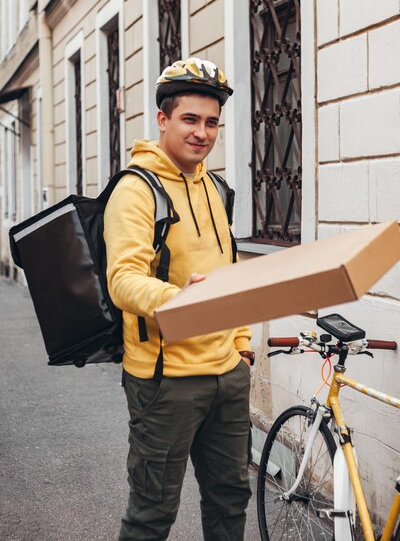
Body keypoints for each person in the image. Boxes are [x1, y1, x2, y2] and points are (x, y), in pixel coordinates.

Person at [104, 57, 254, 541]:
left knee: (231, 501)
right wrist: (178, 298)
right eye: (190, 119)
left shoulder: (215, 186)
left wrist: (243, 344)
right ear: (163, 119)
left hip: (226, 374)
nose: (203, 133)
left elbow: (229, 270)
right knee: (152, 514)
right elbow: (123, 279)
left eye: (212, 122)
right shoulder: (136, 188)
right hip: (165, 381)